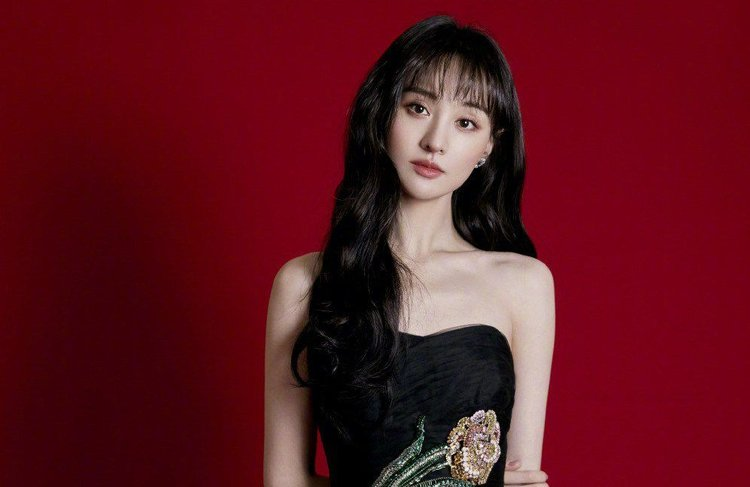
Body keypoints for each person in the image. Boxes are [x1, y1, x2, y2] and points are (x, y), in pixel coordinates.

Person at [264, 15, 554, 487]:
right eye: (418, 107)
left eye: (465, 122)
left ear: (488, 147)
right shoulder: (304, 284)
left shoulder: (524, 284)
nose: (435, 141)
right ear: (384, 114)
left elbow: (522, 477)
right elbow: (284, 482)